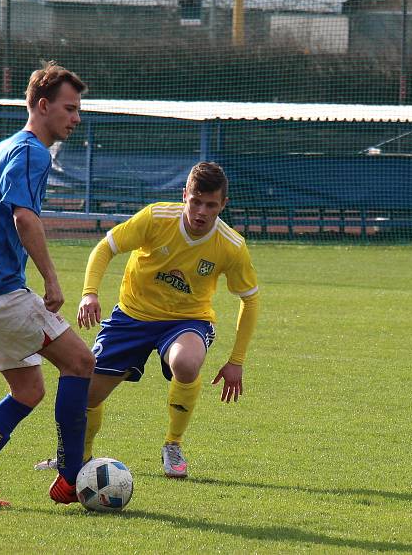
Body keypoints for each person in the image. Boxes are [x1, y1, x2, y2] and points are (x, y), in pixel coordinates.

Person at [36, 161, 260, 478]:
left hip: (187, 320)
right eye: (195, 201)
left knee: (186, 363)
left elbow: (250, 300)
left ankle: (173, 444)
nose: (201, 212)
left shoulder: (231, 245)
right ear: (185, 195)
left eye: (211, 205)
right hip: (132, 317)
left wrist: (236, 360)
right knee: (87, 395)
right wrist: (89, 293)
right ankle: (79, 458)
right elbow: (105, 248)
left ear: (223, 205)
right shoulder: (156, 217)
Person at [0, 62, 95, 508]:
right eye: (69, 108)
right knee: (81, 361)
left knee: (28, 390)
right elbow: (24, 216)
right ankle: (69, 479)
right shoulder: (32, 153)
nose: (75, 118)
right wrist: (48, 280)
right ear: (42, 106)